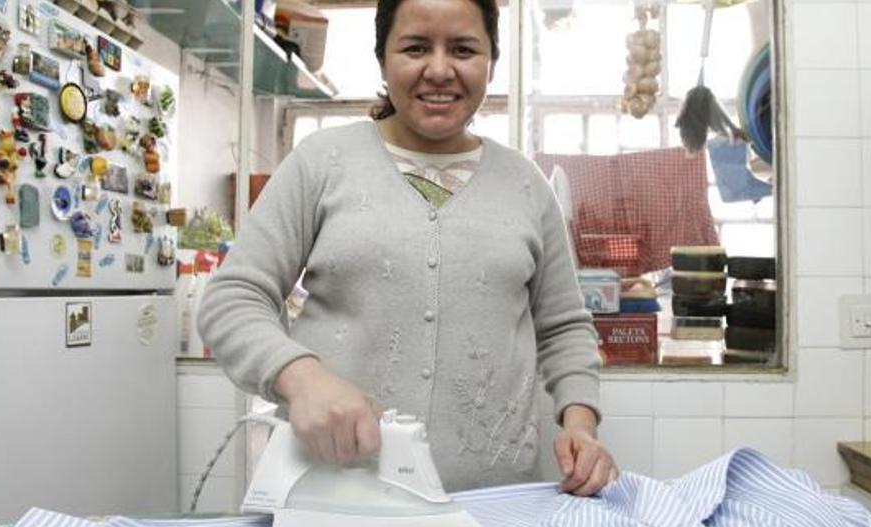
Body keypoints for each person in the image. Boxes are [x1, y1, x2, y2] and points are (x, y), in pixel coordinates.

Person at [197, 0, 617, 496]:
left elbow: (564, 327)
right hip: (331, 495)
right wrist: (300, 376)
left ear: (490, 61)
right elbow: (232, 300)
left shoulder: (526, 186)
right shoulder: (321, 163)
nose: (439, 70)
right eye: (415, 47)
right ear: (382, 59)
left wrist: (581, 425)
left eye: (463, 49)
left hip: (493, 506)